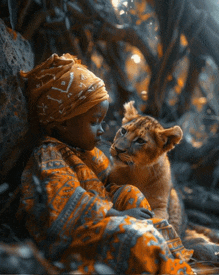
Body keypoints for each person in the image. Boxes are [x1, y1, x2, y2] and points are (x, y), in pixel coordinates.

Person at [17, 53, 194, 274]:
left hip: (104, 218)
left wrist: (127, 203)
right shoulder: (48, 154)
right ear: (62, 122)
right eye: (94, 122)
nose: (102, 130)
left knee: (130, 192)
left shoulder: (89, 154)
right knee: (136, 237)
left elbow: (107, 187)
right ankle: (158, 256)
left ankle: (162, 249)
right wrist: (120, 216)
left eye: (102, 121)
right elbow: (65, 201)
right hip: (72, 235)